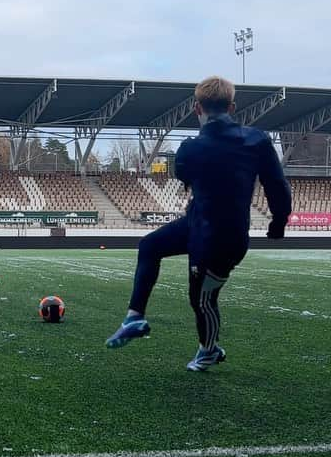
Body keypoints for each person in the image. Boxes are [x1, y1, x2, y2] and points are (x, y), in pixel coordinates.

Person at [106, 75, 292, 371]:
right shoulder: (257, 140)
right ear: (232, 107)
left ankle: (208, 350)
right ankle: (135, 317)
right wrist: (278, 223)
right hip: (215, 229)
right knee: (150, 245)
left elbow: (186, 177)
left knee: (201, 299)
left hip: (214, 239)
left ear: (197, 109)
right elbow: (277, 185)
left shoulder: (189, 149)